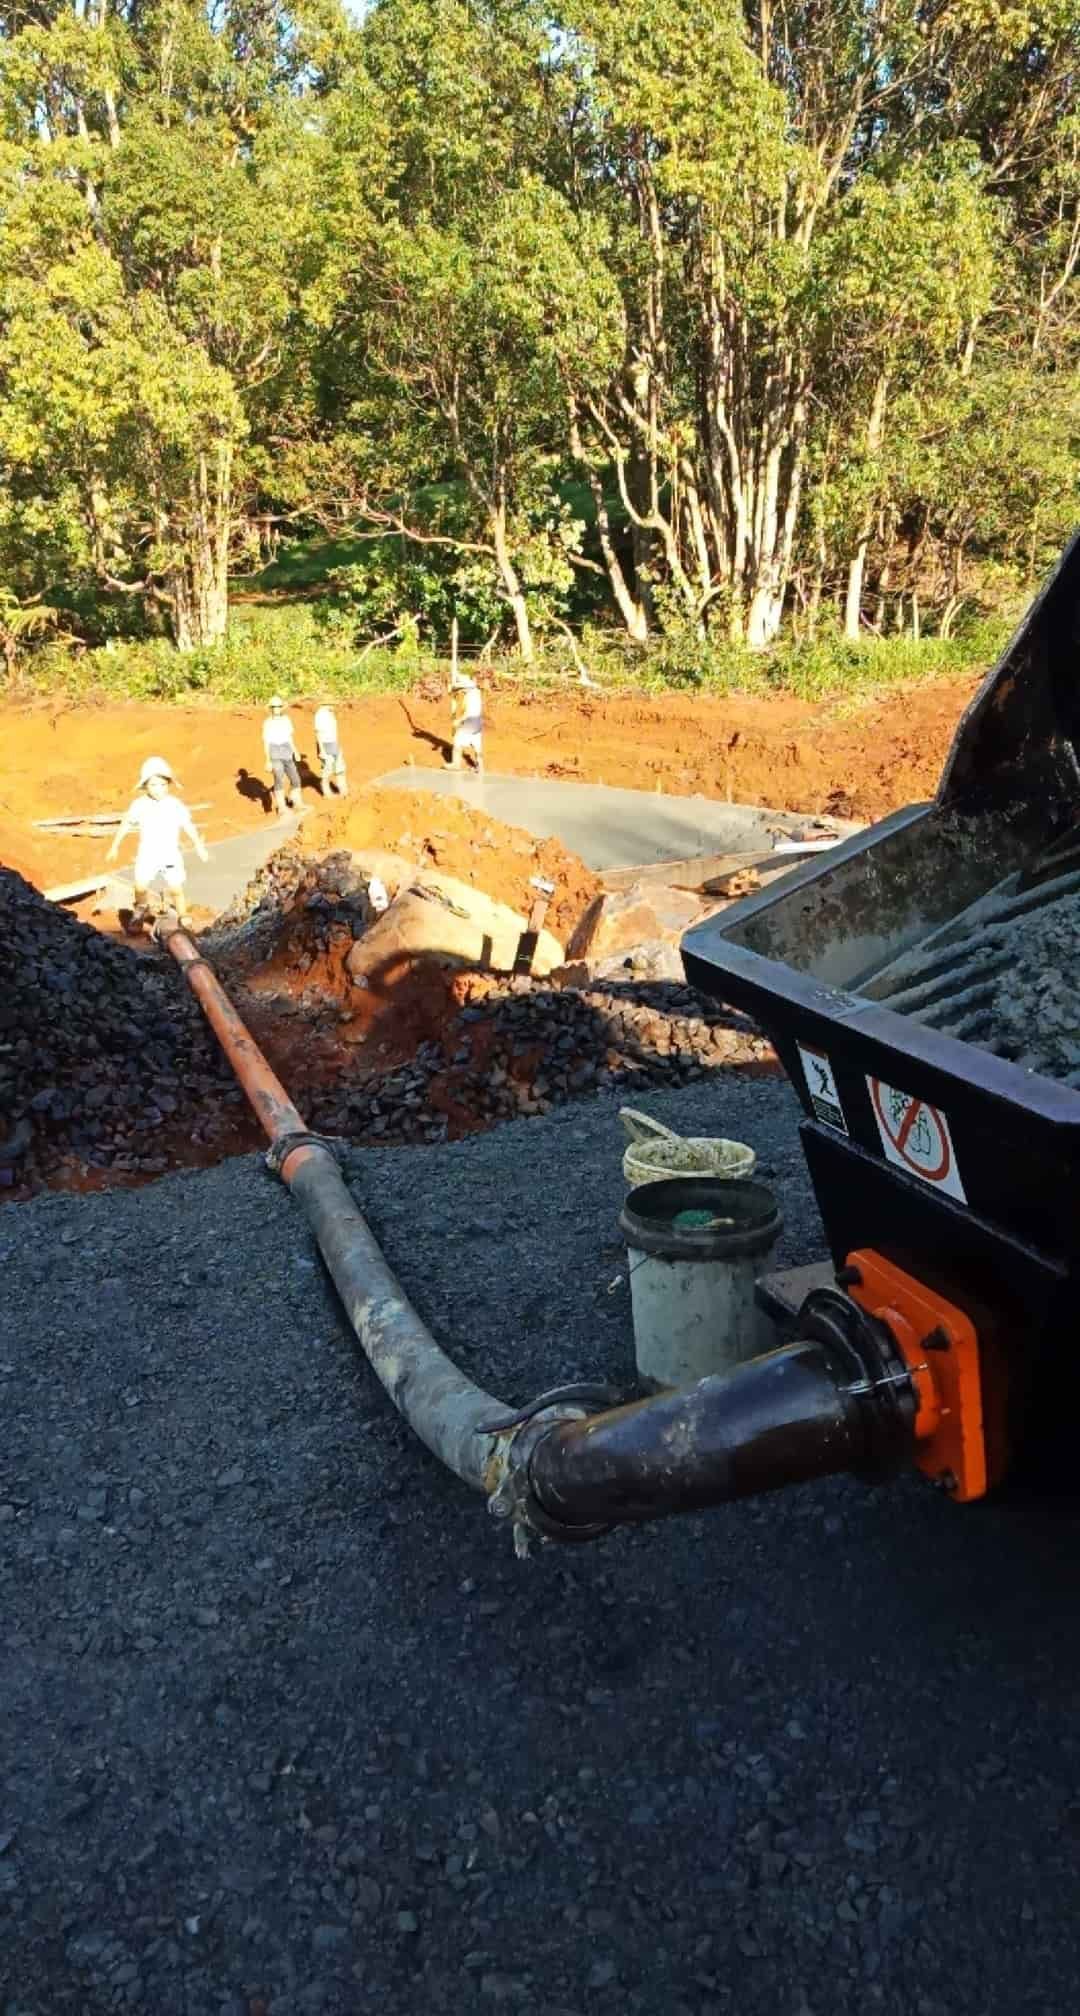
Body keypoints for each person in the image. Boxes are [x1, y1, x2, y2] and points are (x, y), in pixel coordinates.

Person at [107, 756, 208, 931]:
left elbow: (187, 825)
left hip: (170, 854)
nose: (159, 789)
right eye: (153, 785)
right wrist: (114, 846)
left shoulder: (175, 805)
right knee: (140, 885)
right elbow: (126, 824)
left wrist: (199, 845)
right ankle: (140, 910)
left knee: (176, 888)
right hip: (148, 854)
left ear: (169, 784)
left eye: (163, 785)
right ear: (145, 786)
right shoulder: (139, 805)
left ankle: (183, 914)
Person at [262, 695, 301, 814]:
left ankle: (296, 801)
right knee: (279, 778)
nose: (276, 709)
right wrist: (268, 760)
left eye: (278, 706)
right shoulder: (267, 723)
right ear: (271, 708)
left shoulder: (286, 720)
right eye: (274, 707)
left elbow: (290, 738)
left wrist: (296, 751)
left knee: (295, 779)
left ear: (281, 708)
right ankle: (282, 807)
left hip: (287, 750)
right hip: (274, 751)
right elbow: (266, 742)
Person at [450, 668, 484, 773]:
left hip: (470, 721)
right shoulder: (475, 692)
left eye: (462, 689)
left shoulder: (470, 696)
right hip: (477, 722)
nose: (461, 691)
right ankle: (480, 767)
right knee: (477, 745)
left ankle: (456, 764)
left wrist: (458, 721)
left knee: (457, 741)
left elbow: (468, 713)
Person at [313, 700, 348, 798]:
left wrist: (338, 746)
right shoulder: (319, 715)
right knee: (327, 769)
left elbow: (333, 732)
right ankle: (326, 792)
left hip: (333, 743)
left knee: (340, 767)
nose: (334, 706)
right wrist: (322, 750)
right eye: (332, 703)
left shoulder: (330, 713)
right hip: (325, 744)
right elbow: (318, 734)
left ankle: (343, 790)